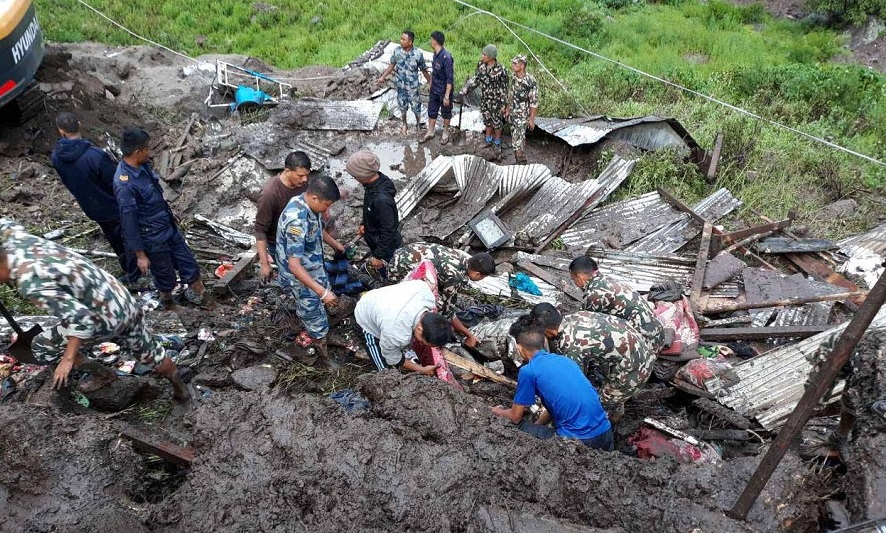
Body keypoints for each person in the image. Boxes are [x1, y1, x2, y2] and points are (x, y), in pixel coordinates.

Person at [0, 219, 188, 400]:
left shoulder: (31, 284)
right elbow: (5, 223)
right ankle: (180, 388)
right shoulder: (17, 239)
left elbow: (82, 320)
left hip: (102, 319)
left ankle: (103, 374)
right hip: (122, 299)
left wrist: (67, 359)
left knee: (42, 345)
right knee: (149, 351)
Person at [113, 128, 207, 308]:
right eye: (146, 148)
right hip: (152, 238)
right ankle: (168, 303)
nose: (149, 152)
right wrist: (140, 255)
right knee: (165, 275)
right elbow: (129, 222)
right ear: (137, 152)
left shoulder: (143, 167)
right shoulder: (124, 184)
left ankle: (204, 297)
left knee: (189, 264)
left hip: (167, 228)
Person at [491, 315, 613, 451]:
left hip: (578, 440)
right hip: (606, 433)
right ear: (544, 341)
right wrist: (538, 425)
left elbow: (515, 417)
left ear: (518, 348)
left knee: (516, 426)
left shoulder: (529, 371)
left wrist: (497, 412)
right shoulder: (565, 360)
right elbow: (558, 401)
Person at [50, 112, 140, 284]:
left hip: (91, 207)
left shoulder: (55, 157)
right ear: (80, 125)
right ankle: (135, 273)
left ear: (61, 131)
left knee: (113, 238)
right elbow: (116, 181)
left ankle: (127, 267)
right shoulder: (95, 156)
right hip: (114, 205)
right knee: (128, 237)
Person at [530, 303, 654, 422]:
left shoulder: (571, 345)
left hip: (636, 369)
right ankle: (616, 405)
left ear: (548, 331)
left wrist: (544, 419)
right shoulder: (576, 316)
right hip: (641, 349)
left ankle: (611, 426)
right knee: (603, 390)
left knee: (597, 408)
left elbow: (573, 386)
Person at [277, 175, 350, 368]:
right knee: (312, 313)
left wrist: (336, 245)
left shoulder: (309, 205)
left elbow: (318, 230)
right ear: (315, 198)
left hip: (313, 265)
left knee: (322, 297)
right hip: (299, 275)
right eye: (326, 205)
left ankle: (323, 329)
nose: (327, 210)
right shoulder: (296, 221)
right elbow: (294, 265)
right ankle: (322, 351)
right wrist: (322, 292)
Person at [388, 242, 496, 347]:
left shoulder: (460, 257)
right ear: (477, 274)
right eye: (483, 277)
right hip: (399, 269)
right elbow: (447, 312)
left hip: (401, 254)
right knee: (435, 305)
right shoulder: (455, 277)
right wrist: (468, 335)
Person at [354, 279, 455, 374]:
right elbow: (392, 357)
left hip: (381, 300)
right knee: (386, 373)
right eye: (422, 342)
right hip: (365, 315)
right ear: (420, 329)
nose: (422, 344)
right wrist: (422, 369)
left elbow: (426, 283)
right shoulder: (395, 332)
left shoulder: (427, 294)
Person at [569, 256, 665, 352]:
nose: (575, 284)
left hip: (647, 344)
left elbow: (580, 321)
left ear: (580, 277)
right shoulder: (607, 280)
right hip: (657, 335)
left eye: (574, 280)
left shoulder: (596, 293)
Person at [254, 151, 312, 283]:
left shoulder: (302, 185)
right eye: (300, 176)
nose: (305, 180)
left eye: (306, 176)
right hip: (281, 245)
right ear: (288, 171)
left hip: (301, 237)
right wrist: (264, 264)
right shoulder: (270, 194)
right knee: (293, 279)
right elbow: (260, 229)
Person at [345, 150, 402, 275]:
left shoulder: (381, 199)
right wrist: (364, 223)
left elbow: (388, 230)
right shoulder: (373, 184)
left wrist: (378, 256)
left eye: (355, 176)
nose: (354, 179)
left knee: (389, 270)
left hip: (387, 247)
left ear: (362, 175)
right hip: (376, 239)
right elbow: (370, 208)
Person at [376, 30, 431, 135]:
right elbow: (392, 65)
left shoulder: (418, 54)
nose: (401, 41)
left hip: (413, 88)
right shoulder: (397, 52)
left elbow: (424, 70)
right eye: (401, 39)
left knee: (416, 107)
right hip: (401, 86)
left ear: (410, 42)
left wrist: (430, 83)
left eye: (403, 39)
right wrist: (383, 77)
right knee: (402, 107)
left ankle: (418, 125)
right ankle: (404, 124)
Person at [459, 44, 509, 151]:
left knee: (497, 122)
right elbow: (476, 79)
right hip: (485, 100)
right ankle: (488, 139)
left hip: (497, 102)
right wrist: (466, 89)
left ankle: (497, 142)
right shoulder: (481, 65)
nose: (482, 56)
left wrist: (504, 105)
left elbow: (505, 89)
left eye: (484, 54)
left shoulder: (501, 70)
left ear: (491, 57)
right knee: (487, 120)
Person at [503, 55, 538, 165]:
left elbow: (534, 102)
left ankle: (522, 163)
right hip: (513, 114)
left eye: (515, 63)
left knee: (517, 142)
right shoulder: (514, 77)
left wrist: (531, 119)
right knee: (516, 139)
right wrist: (508, 109)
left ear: (522, 65)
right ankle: (519, 161)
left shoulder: (530, 81)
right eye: (513, 63)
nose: (513, 65)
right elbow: (511, 94)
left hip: (522, 116)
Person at [422, 30, 454, 145]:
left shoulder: (447, 58)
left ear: (435, 41)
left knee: (446, 111)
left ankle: (445, 132)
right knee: (432, 109)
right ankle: (431, 131)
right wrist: (430, 83)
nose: (430, 42)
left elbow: (450, 78)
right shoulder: (435, 54)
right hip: (435, 88)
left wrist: (446, 96)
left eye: (431, 40)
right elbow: (435, 72)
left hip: (444, 90)